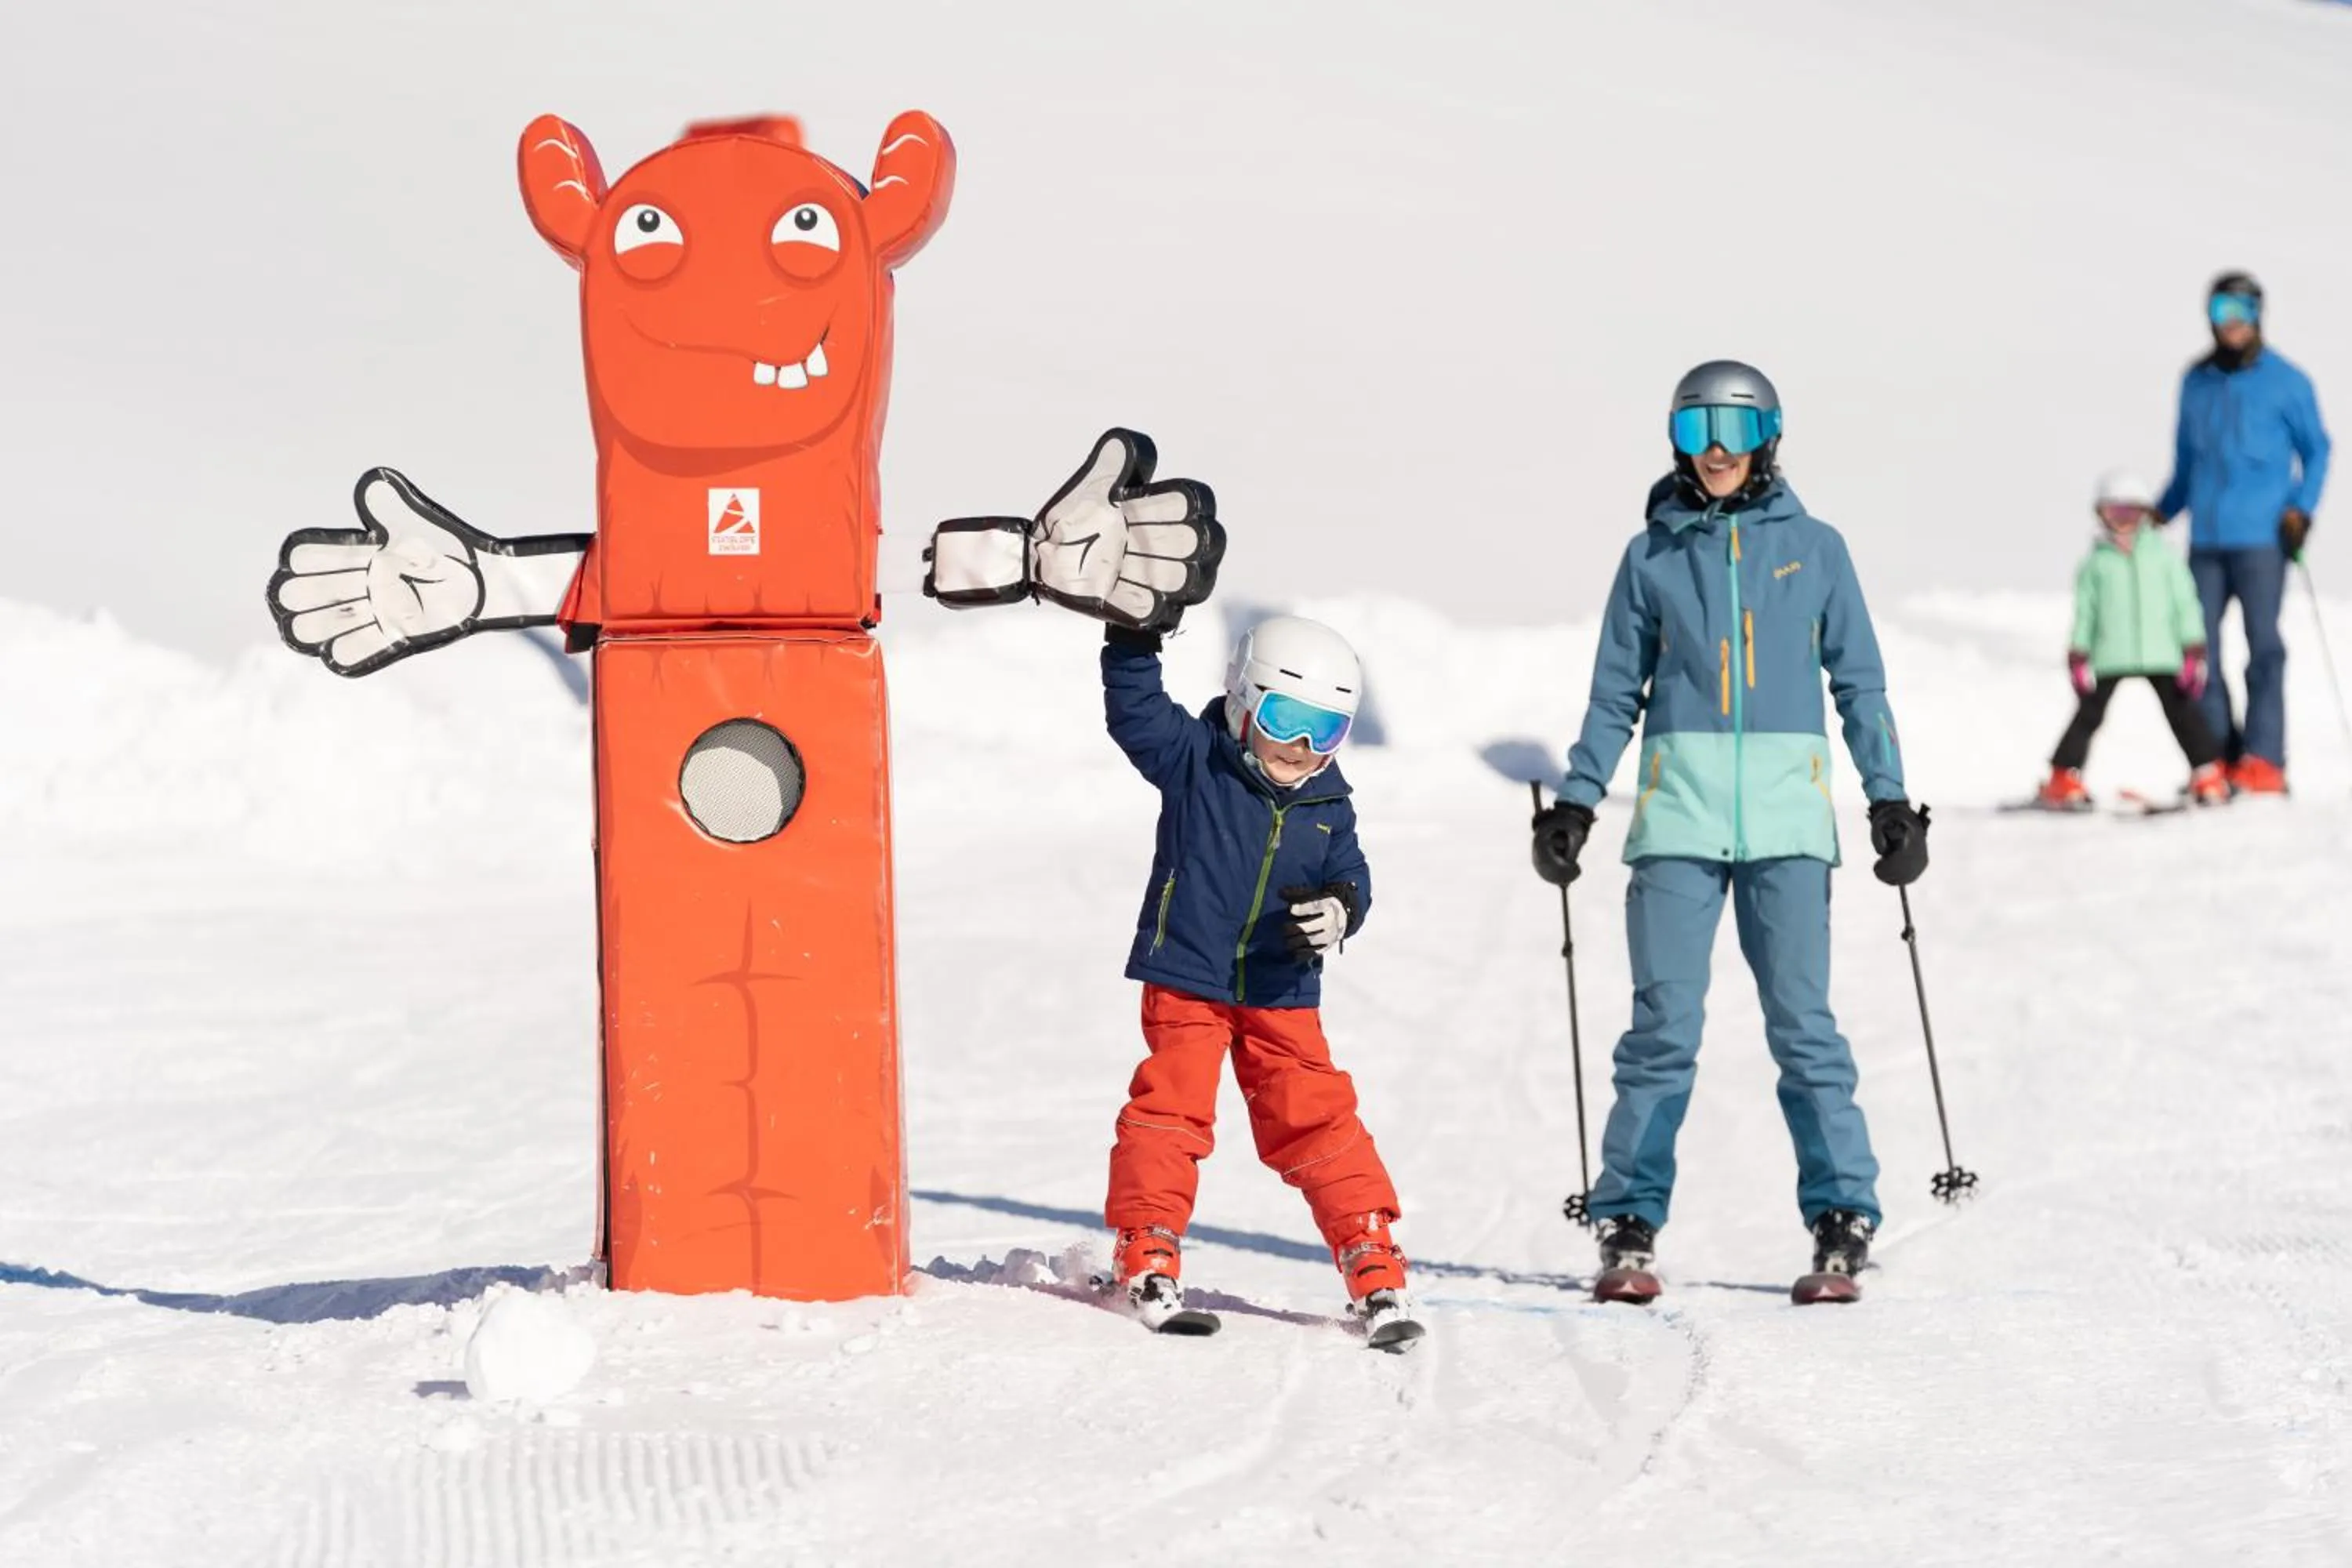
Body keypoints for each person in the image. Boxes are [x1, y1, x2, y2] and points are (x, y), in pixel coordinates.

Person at [1528, 361, 1929, 1289]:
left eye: (1737, 429)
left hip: (1789, 823)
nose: (1717, 446)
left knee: (1802, 1024)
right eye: (1700, 424)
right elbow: (1613, 693)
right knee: (1663, 1026)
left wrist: (1889, 797)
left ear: (1769, 440)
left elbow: (1859, 682)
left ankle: (1842, 1207)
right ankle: (1628, 1214)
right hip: (1677, 819)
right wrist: (1579, 801)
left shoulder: (1817, 549)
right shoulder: (1651, 557)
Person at [1097, 612, 1420, 1343]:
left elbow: (1352, 877)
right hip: (1188, 974)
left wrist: (1341, 910)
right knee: (1171, 1110)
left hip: (1281, 988)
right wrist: (1132, 637)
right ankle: (1147, 1243)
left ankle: (1371, 1254)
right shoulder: (1193, 759)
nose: (1303, 748)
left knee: (1318, 1118)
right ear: (1244, 701)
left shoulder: (1329, 802)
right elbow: (1135, 710)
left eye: (1327, 730)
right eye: (1286, 719)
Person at [2154, 271, 2331, 795]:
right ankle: (2219, 759)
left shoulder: (2286, 382)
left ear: (2258, 314)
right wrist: (2161, 514)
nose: (2229, 322)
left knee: (2264, 647)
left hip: (2261, 539)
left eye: (2239, 309)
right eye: (2219, 310)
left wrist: (2301, 509)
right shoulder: (2197, 382)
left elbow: (2318, 449)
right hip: (2206, 539)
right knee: (2197, 652)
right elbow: (2186, 463)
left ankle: (2264, 759)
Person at [2035, 472, 2229, 809]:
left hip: (2161, 652)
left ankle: (2208, 772)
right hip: (2111, 652)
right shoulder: (2095, 564)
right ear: (2101, 515)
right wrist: (2079, 653)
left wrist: (2193, 648)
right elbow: (2086, 613)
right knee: (2090, 713)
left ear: (2145, 515)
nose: (2123, 522)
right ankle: (2062, 776)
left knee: (2182, 712)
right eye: (2115, 513)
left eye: (2132, 513)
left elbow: (2185, 604)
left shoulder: (2164, 557)